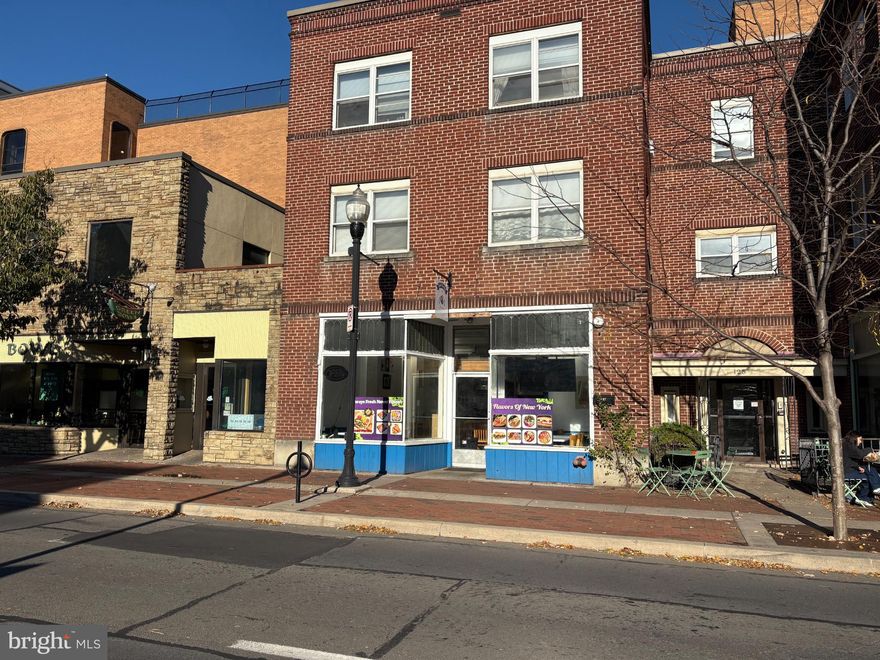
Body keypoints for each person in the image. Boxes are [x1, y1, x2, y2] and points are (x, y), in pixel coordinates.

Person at [843, 430, 880, 506]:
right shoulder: (848, 446)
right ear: (855, 438)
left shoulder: (847, 445)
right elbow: (860, 454)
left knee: (869, 471)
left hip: (847, 469)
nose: (860, 442)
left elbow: (849, 461)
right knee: (868, 475)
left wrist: (858, 467)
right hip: (846, 472)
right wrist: (870, 449)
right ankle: (865, 496)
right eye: (860, 439)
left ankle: (867, 497)